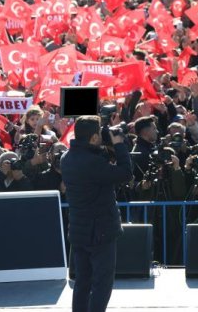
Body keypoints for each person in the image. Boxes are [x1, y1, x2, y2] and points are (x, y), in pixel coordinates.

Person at [61, 115, 133, 312]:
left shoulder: (66, 158)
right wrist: (119, 144)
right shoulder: (92, 162)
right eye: (99, 132)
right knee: (102, 282)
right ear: (93, 138)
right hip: (100, 231)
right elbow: (126, 173)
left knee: (82, 281)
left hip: (78, 230)